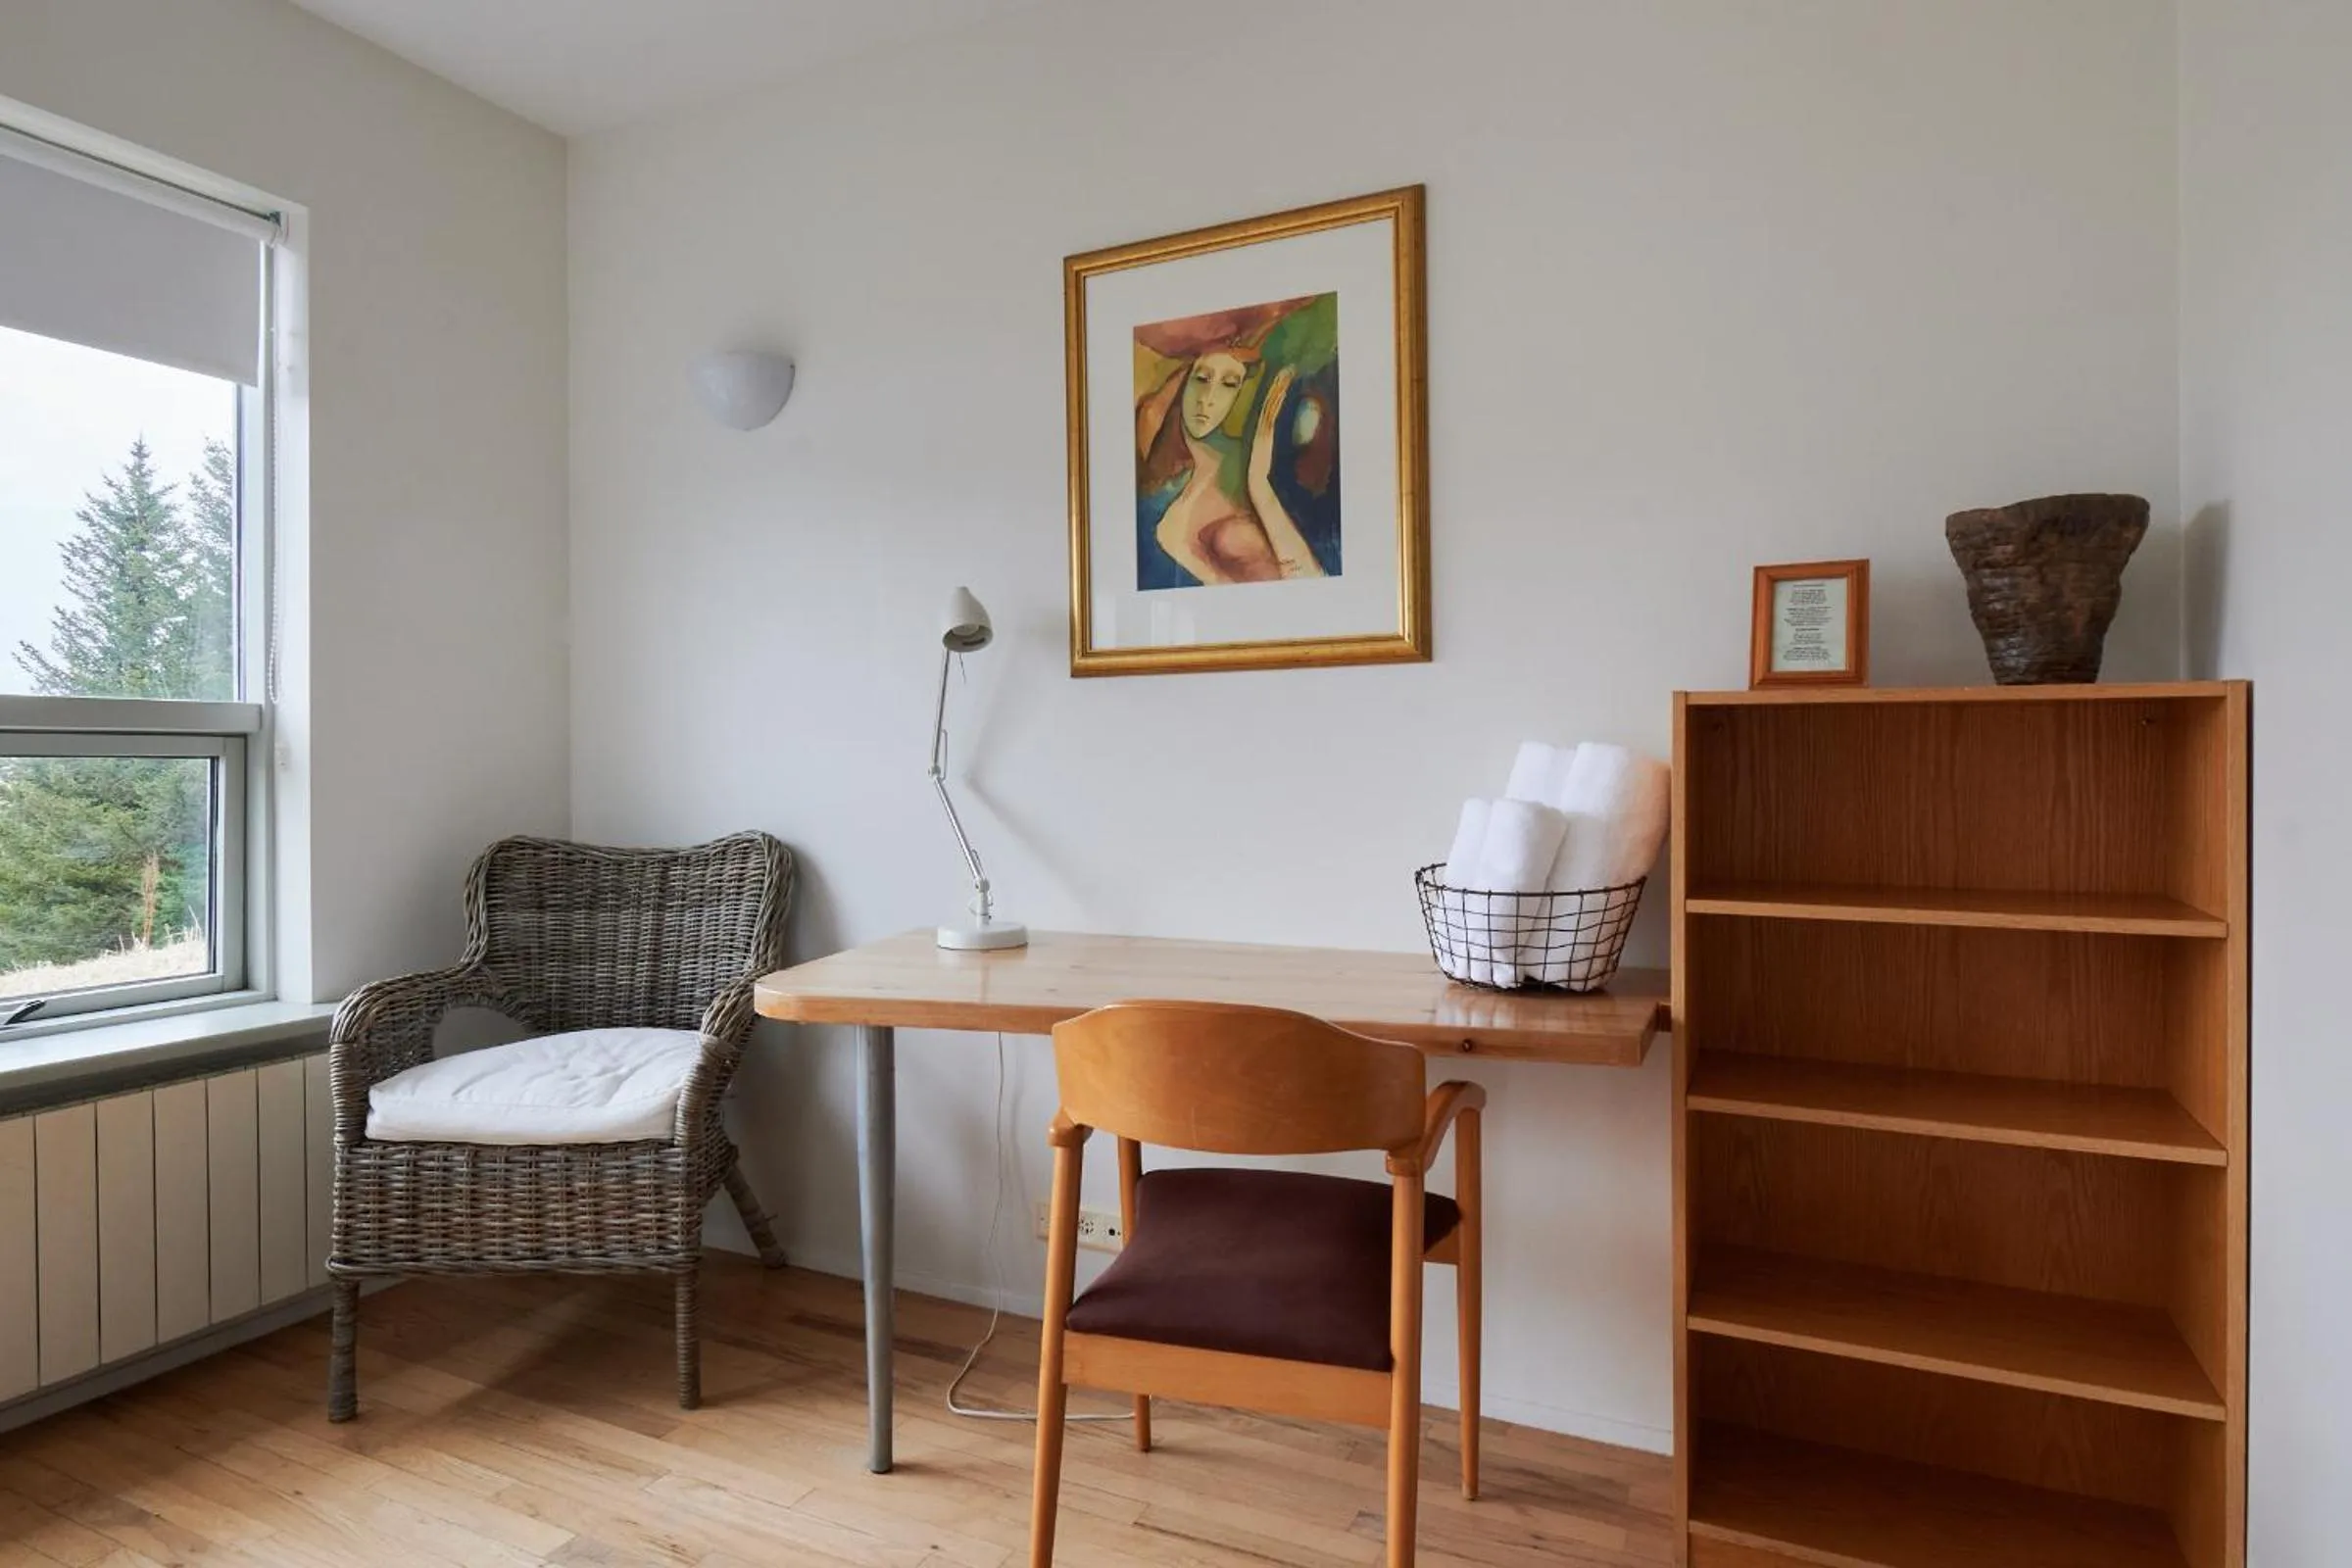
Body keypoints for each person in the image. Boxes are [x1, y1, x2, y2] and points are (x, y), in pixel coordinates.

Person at [1135, 327, 1328, 588]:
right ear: (1182, 382)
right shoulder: (1163, 485)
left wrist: (1259, 487)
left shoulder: (1251, 482)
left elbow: (1311, 587)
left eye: (1228, 384)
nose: (1207, 400)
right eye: (1201, 379)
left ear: (1243, 394)